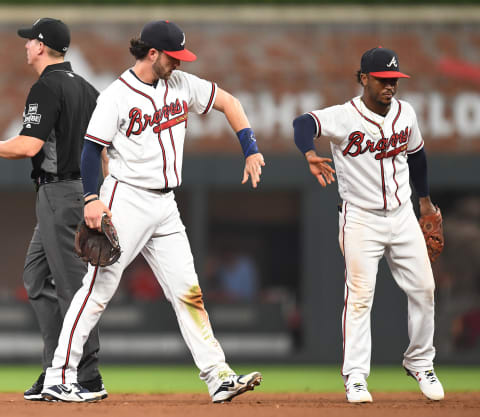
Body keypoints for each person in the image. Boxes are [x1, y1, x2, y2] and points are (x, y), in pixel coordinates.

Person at [41, 20, 264, 403]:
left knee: (188, 291)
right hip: (125, 199)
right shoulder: (117, 95)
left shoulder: (181, 85)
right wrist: (92, 199)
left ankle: (218, 376)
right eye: (173, 57)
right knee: (97, 290)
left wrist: (251, 147)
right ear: (153, 53)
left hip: (165, 205)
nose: (178, 63)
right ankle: (58, 376)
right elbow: (92, 149)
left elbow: (231, 103)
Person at [292, 47, 445, 403]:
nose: (390, 85)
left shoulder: (406, 113)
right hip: (361, 218)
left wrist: (424, 203)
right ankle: (356, 377)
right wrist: (309, 153)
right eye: (382, 79)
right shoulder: (345, 117)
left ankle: (420, 362)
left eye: (394, 80)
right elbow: (303, 124)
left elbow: (418, 156)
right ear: (364, 79)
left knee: (424, 289)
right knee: (360, 297)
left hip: (403, 214)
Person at [0, 18, 107, 400]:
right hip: (72, 193)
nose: (26, 46)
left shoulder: (46, 86)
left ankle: (86, 373)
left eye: (30, 41)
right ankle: (54, 367)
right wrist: (97, 195)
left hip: (61, 193)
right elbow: (103, 150)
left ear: (42, 46)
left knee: (71, 285)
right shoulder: (89, 88)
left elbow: (29, 146)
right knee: (34, 279)